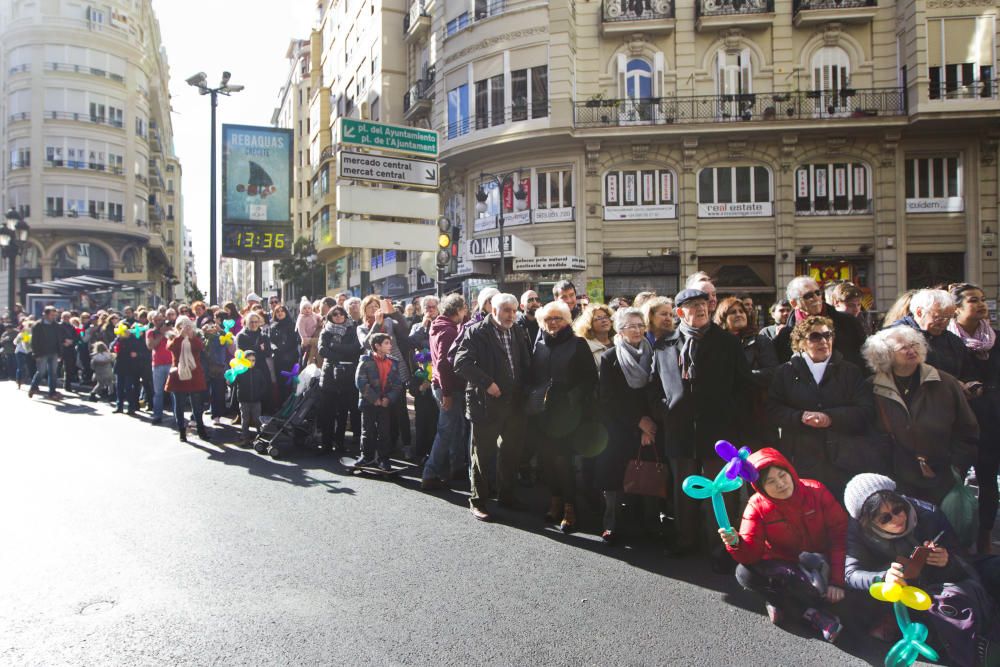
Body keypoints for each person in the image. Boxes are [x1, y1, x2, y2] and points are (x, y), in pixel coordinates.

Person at [843, 473, 1000, 666]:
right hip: (901, 593)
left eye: (898, 508)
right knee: (954, 603)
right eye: (885, 518)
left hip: (940, 578)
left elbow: (961, 556)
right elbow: (851, 573)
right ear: (867, 522)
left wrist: (947, 559)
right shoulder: (857, 530)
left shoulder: (928, 512)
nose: (897, 518)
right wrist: (882, 577)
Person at [647, 289, 753, 554]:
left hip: (719, 429)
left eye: (704, 304)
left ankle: (722, 548)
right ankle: (686, 541)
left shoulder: (727, 342)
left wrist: (732, 415)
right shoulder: (664, 344)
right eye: (693, 305)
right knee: (684, 488)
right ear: (680, 312)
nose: (701, 309)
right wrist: (666, 409)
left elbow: (744, 385)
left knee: (723, 490)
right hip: (680, 429)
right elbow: (654, 385)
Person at [719, 448, 849, 643]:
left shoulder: (816, 490)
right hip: (784, 566)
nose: (780, 484)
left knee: (819, 590)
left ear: (790, 471)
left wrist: (837, 582)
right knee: (744, 573)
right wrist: (736, 543)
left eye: (782, 475)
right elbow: (751, 556)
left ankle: (784, 602)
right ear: (760, 487)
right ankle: (814, 616)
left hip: (820, 562)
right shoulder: (757, 505)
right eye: (770, 481)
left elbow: (840, 536)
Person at [863, 327, 979, 505]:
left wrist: (955, 466)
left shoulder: (945, 382)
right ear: (884, 354)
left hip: (942, 477)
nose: (912, 350)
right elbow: (867, 432)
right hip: (895, 478)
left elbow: (968, 430)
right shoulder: (873, 387)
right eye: (903, 348)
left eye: (914, 344)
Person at [767, 316, 873, 497]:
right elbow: (773, 410)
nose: (823, 341)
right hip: (802, 457)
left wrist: (831, 418)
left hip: (844, 459)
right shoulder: (784, 372)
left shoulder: (850, 371)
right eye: (815, 337)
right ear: (801, 343)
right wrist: (799, 417)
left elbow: (865, 411)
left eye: (827, 335)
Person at [455, 292, 531, 522]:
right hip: (486, 403)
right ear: (493, 310)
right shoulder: (477, 331)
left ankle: (507, 496)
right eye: (506, 310)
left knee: (511, 452)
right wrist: (487, 383)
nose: (511, 315)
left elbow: (525, 361)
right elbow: (461, 363)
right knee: (483, 454)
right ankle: (478, 501)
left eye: (514, 310)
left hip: (515, 403)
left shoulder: (518, 329)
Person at [529, 300, 599, 533]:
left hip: (568, 414)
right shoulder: (539, 344)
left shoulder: (577, 344)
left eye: (558, 318)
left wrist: (571, 397)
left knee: (563, 461)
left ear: (567, 320)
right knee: (547, 460)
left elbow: (590, 379)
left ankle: (570, 507)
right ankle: (555, 500)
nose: (553, 323)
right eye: (548, 319)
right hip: (542, 413)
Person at [595, 307, 657, 543]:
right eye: (632, 326)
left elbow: (655, 391)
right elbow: (608, 399)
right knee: (614, 477)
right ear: (620, 331)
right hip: (619, 427)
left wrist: (648, 426)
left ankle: (650, 524)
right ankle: (612, 523)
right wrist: (637, 421)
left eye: (641, 325)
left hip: (650, 427)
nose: (638, 330)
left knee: (649, 476)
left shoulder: (654, 354)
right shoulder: (610, 358)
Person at [949, 282, 1000, 554]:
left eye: (982, 299)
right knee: (954, 481)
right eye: (972, 300)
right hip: (962, 421)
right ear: (956, 308)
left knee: (989, 480)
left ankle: (985, 536)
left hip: (994, 419)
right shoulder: (949, 343)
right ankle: (955, 540)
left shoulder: (996, 338)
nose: (980, 304)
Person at [716, 296, 780, 445]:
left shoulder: (760, 341)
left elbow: (772, 373)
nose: (739, 314)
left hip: (756, 412)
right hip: (726, 415)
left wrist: (743, 376)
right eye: (732, 312)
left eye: (741, 311)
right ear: (723, 318)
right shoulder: (717, 344)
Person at [421, 294, 470, 490]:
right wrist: (448, 393)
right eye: (464, 309)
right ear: (458, 310)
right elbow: (442, 364)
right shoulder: (448, 330)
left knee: (456, 428)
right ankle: (430, 473)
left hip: (441, 385)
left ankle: (456, 467)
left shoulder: (439, 325)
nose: (466, 312)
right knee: (446, 431)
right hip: (446, 387)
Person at [773, 277, 867, 369]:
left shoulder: (848, 322)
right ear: (794, 303)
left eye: (818, 293)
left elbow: (863, 357)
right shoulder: (786, 335)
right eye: (808, 296)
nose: (816, 298)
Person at [889, 288, 972, 382]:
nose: (945, 324)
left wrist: (971, 384)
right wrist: (951, 384)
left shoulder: (953, 340)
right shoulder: (896, 337)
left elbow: (968, 371)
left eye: (949, 318)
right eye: (939, 318)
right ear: (919, 312)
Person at [354, 332, 404, 471]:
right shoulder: (365, 361)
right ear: (377, 346)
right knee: (367, 430)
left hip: (385, 403)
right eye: (386, 343)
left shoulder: (393, 362)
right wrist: (374, 398)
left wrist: (388, 398)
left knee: (384, 431)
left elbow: (397, 384)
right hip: (369, 403)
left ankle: (384, 458)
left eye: (390, 343)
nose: (390, 346)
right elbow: (361, 382)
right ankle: (366, 456)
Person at [317, 306, 361, 453]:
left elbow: (355, 349)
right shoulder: (326, 330)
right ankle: (326, 443)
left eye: (341, 313)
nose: (338, 316)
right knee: (327, 411)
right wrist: (341, 354)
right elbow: (322, 350)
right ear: (330, 316)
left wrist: (334, 346)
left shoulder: (353, 329)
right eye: (334, 314)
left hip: (347, 374)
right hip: (329, 373)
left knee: (343, 412)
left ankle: (340, 442)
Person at [165, 316, 210, 443]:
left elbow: (200, 347)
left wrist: (190, 336)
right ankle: (182, 431)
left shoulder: (195, 337)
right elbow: (171, 348)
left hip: (194, 374)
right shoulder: (173, 337)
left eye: (187, 326)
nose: (184, 329)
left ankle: (201, 430)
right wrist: (180, 336)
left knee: (197, 405)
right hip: (178, 374)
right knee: (179, 405)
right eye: (181, 326)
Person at [407, 296, 440, 461]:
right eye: (427, 307)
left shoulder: (443, 324)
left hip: (438, 374)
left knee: (436, 418)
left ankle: (434, 453)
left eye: (433, 307)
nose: (430, 309)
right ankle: (419, 452)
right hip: (421, 373)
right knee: (422, 417)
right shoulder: (417, 326)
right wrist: (424, 326)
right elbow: (410, 343)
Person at [235, 350, 271, 447]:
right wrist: (229, 380)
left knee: (257, 420)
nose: (251, 362)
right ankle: (245, 438)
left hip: (256, 401)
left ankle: (260, 438)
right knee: (245, 420)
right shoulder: (240, 372)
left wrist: (260, 394)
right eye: (249, 360)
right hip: (244, 400)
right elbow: (234, 383)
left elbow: (264, 385)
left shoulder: (258, 372)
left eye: (253, 360)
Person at [268, 304, 300, 407]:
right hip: (278, 359)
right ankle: (281, 407)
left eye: (282, 311)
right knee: (281, 384)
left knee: (290, 385)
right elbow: (270, 341)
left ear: (286, 312)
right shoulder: (273, 327)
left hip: (290, 359)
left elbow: (294, 342)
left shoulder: (292, 325)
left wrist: (284, 350)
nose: (280, 313)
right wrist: (275, 348)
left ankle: (290, 408)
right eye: (277, 312)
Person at [202, 316, 232, 423]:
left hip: (218, 369)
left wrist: (221, 331)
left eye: (212, 325)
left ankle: (216, 416)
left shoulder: (221, 338)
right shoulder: (201, 338)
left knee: (217, 394)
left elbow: (230, 341)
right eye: (207, 325)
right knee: (202, 395)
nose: (210, 328)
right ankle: (195, 418)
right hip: (205, 369)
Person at [28, 306, 62, 399]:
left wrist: (60, 353)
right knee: (41, 372)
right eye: (52, 315)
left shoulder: (56, 325)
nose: (53, 317)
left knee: (53, 373)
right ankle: (33, 387)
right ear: (45, 314)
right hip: (42, 353)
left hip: (54, 352)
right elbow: (34, 341)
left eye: (55, 315)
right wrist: (36, 354)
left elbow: (59, 339)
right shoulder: (38, 325)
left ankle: (52, 393)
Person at [146, 314, 173, 425]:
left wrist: (169, 332)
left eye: (160, 320)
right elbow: (150, 346)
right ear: (152, 321)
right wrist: (161, 334)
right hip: (157, 365)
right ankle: (157, 415)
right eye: (155, 320)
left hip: (171, 363)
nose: (158, 322)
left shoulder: (170, 330)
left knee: (174, 392)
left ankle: (177, 415)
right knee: (158, 392)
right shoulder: (150, 332)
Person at [112, 318, 143, 414]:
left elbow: (139, 350)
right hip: (120, 365)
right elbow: (112, 347)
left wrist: (136, 353)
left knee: (129, 387)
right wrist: (118, 339)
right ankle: (119, 406)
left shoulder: (133, 339)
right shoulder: (118, 338)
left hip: (130, 366)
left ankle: (131, 407)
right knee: (119, 387)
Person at [574, 303, 614, 369]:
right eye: (598, 318)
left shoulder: (618, 341)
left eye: (606, 317)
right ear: (589, 324)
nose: (604, 320)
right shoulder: (585, 347)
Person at [58, 311, 78, 392]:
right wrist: (63, 341)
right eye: (65, 317)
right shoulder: (58, 326)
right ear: (62, 318)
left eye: (68, 317)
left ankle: (67, 385)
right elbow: (57, 336)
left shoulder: (71, 327)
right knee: (57, 366)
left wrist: (72, 341)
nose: (67, 319)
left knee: (69, 367)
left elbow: (76, 337)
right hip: (60, 349)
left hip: (69, 349)